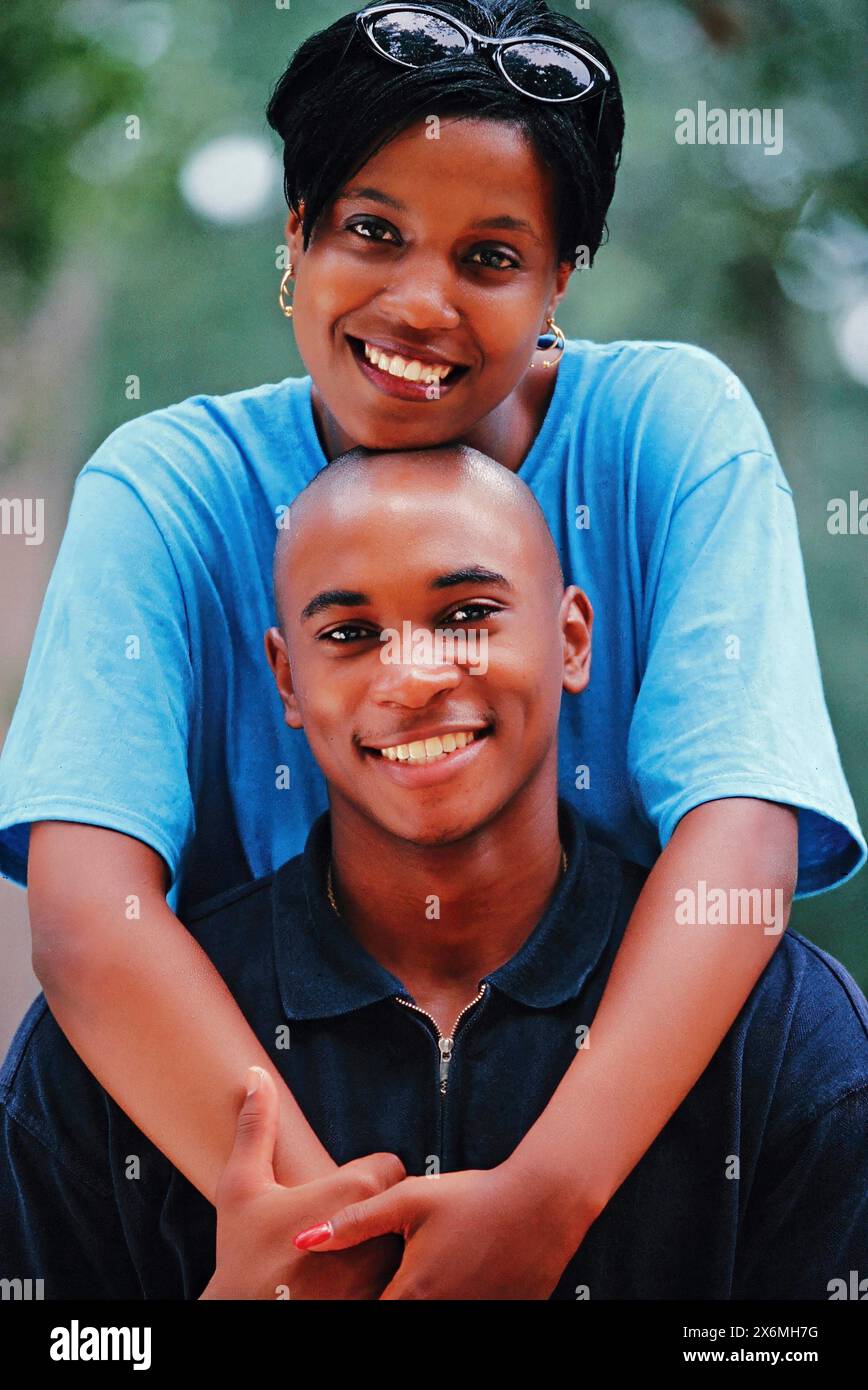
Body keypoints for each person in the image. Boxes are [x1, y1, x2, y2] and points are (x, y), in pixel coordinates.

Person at [0, 1, 863, 1299]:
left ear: (561, 276)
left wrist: (539, 1204)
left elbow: (742, 834)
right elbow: (87, 907)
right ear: (294, 236)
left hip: (633, 1134)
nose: (420, 302)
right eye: (371, 231)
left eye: (491, 255)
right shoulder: (170, 485)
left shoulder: (669, 434)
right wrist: (331, 1247)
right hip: (243, 1121)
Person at [1, 447, 865, 1301]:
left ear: (571, 639)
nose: (411, 680)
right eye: (349, 634)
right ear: (286, 679)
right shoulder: (99, 1063)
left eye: (467, 615)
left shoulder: (785, 1033)